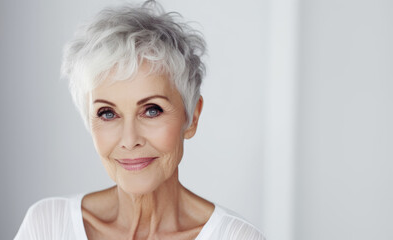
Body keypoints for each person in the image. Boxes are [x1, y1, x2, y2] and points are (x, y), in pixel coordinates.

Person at [14, 1, 265, 239]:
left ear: (192, 117)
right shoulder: (48, 226)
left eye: (152, 110)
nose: (129, 140)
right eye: (108, 113)